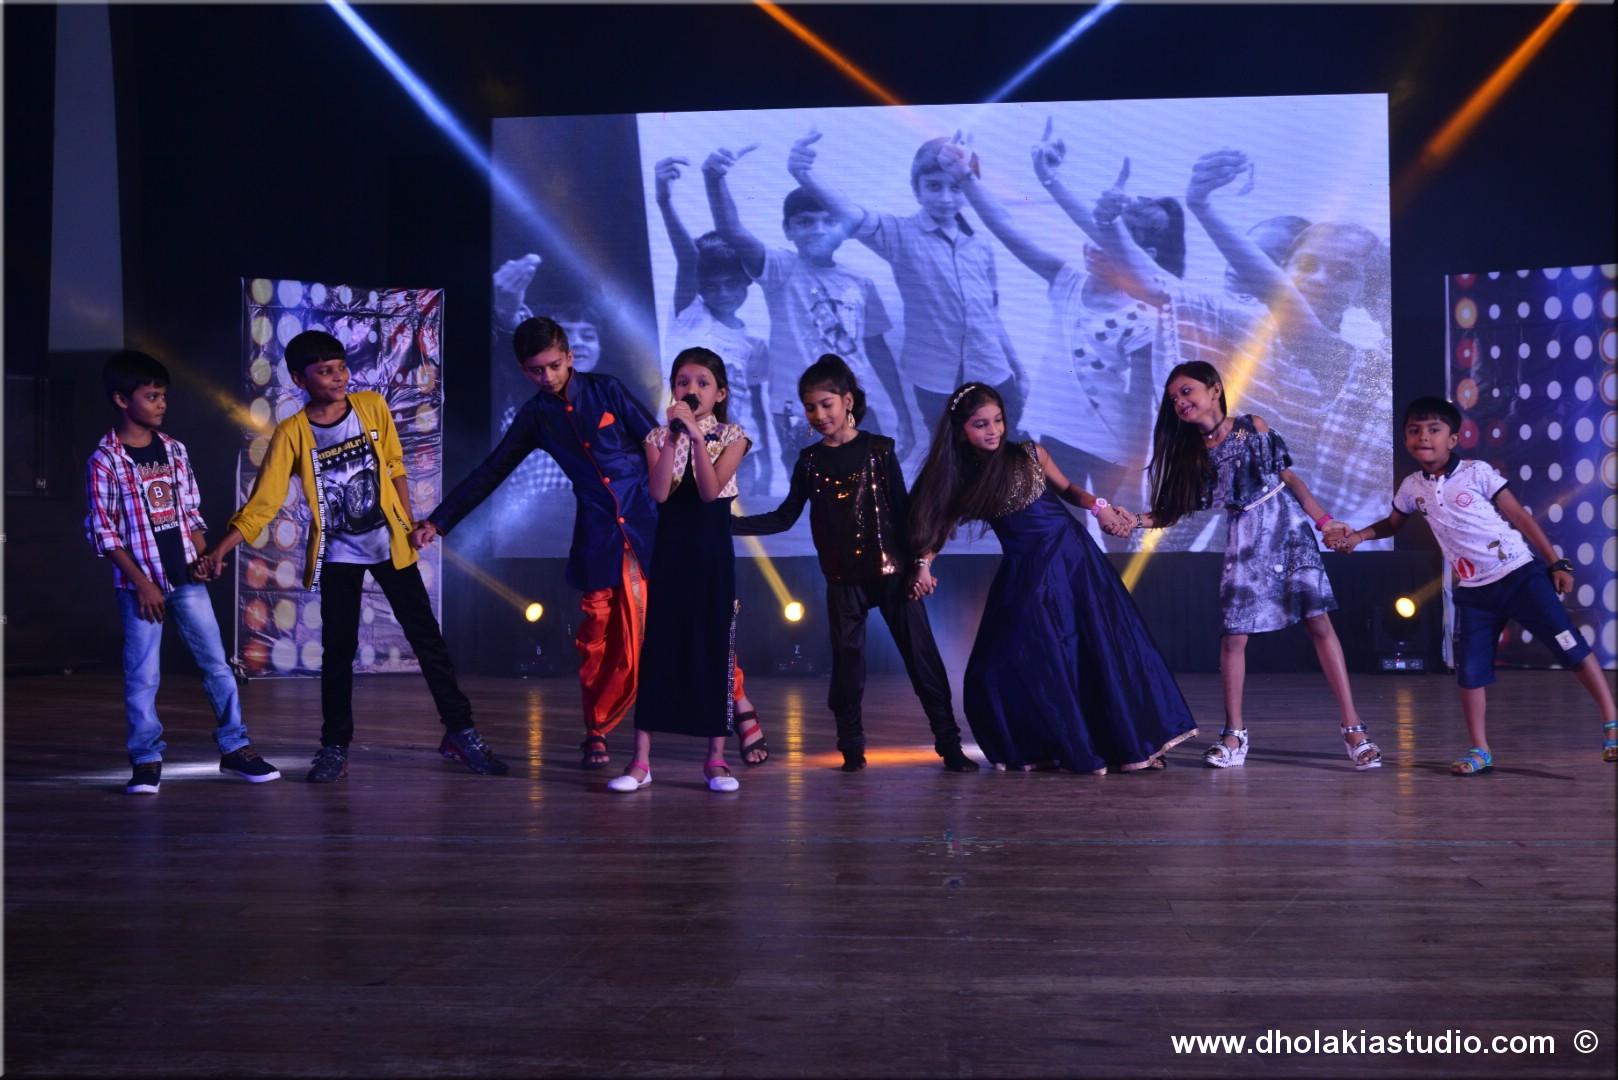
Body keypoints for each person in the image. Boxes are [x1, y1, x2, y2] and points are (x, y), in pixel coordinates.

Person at [412, 317, 772, 770]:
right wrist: (439, 520)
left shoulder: (607, 391)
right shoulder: (536, 416)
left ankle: (738, 704)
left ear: (570, 357)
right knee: (596, 636)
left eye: (554, 365)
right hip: (599, 535)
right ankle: (596, 728)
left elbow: (660, 444)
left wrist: (697, 516)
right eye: (536, 370)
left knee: (694, 621)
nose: (548, 377)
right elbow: (492, 470)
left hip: (652, 526)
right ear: (524, 371)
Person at [198, 330, 506, 783]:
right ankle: (334, 746)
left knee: (428, 642)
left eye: (341, 367)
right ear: (300, 380)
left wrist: (408, 524)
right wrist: (220, 549)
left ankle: (460, 732)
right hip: (338, 557)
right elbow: (263, 503)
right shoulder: (292, 433)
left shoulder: (372, 407)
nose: (338, 377)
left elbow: (395, 465)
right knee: (338, 652)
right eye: (325, 371)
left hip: (390, 548)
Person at [906, 382, 1198, 773]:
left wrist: (1100, 507)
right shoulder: (960, 477)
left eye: (997, 420)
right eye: (980, 424)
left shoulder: (1030, 454)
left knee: (1096, 650)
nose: (993, 430)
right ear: (961, 431)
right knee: (1002, 665)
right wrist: (924, 564)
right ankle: (1042, 745)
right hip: (1026, 571)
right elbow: (940, 527)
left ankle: (1126, 746)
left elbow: (1071, 490)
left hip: (1072, 559)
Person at [1330, 397, 1618, 772]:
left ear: (1453, 439)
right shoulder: (1411, 486)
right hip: (1474, 592)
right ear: (1405, 439)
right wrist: (1357, 536)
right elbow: (1392, 523)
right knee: (1470, 671)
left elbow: (1519, 517)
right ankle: (1479, 749)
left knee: (1569, 645)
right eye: (1414, 430)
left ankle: (1611, 722)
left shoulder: (1477, 472)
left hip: (1520, 575)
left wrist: (1555, 562)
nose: (1423, 437)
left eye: (1434, 430)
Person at [733, 354, 982, 773]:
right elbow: (784, 517)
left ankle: (950, 745)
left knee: (922, 660)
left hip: (894, 573)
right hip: (842, 579)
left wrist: (920, 563)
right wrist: (725, 523)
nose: (818, 415)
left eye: (826, 404)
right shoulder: (810, 462)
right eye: (810, 407)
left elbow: (904, 514)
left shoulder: (879, 450)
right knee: (847, 667)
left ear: (847, 401)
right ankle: (851, 747)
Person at [1128, 360, 1381, 770]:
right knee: (1234, 636)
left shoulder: (1252, 426)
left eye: (1187, 391)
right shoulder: (1190, 454)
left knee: (1318, 623)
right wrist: (1132, 520)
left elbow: (1290, 480)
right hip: (1244, 540)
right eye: (1173, 399)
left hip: (1289, 529)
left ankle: (1354, 729)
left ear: (1214, 389)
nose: (1179, 402)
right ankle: (1234, 735)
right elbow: (1170, 512)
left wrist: (1325, 522)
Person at [934, 121, 1184, 518]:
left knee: (1117, 531)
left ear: (1144, 256)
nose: (1094, 246)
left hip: (1112, 448)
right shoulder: (1067, 280)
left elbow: (1139, 405)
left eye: (1110, 241)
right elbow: (1008, 230)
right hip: (1056, 436)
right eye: (1093, 234)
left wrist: (1135, 472)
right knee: (1061, 526)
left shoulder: (1145, 316)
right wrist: (966, 177)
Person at [85, 350, 280, 794]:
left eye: (164, 396)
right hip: (140, 588)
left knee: (217, 666)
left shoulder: (173, 449)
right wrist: (142, 584)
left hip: (187, 581)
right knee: (143, 676)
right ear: (121, 399)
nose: (161, 404)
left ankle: (235, 748)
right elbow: (104, 531)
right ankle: (146, 758)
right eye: (151, 396)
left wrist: (206, 556)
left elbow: (190, 514)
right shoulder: (105, 460)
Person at [786, 129, 1029, 442]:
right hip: (936, 380)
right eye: (934, 186)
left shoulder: (980, 243)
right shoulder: (900, 235)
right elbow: (853, 216)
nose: (945, 198)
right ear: (916, 189)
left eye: (955, 187)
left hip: (993, 371)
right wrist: (805, 175)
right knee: (950, 454)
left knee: (1004, 449)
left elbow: (991, 314)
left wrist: (1017, 368)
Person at [701, 141, 904, 481]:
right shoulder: (781, 269)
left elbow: (878, 351)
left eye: (829, 221)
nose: (819, 230)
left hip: (854, 405)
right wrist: (714, 179)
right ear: (788, 230)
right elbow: (732, 231)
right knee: (814, 493)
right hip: (798, 411)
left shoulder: (861, 283)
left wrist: (902, 414)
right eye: (806, 222)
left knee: (869, 486)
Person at [608, 348, 751, 794]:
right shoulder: (656, 437)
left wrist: (696, 438)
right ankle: (641, 762)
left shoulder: (733, 436)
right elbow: (660, 494)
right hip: (671, 555)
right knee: (659, 650)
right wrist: (673, 437)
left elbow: (709, 492)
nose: (692, 389)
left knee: (713, 650)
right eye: (683, 381)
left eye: (703, 382)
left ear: (720, 393)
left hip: (712, 558)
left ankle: (715, 760)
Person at [654, 154, 773, 497]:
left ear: (747, 281)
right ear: (698, 287)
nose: (722, 293)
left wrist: (765, 462)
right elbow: (688, 258)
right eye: (711, 286)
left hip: (740, 453)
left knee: (738, 525)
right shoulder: (689, 315)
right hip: (685, 448)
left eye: (731, 284)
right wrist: (664, 199)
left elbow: (756, 406)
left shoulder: (754, 343)